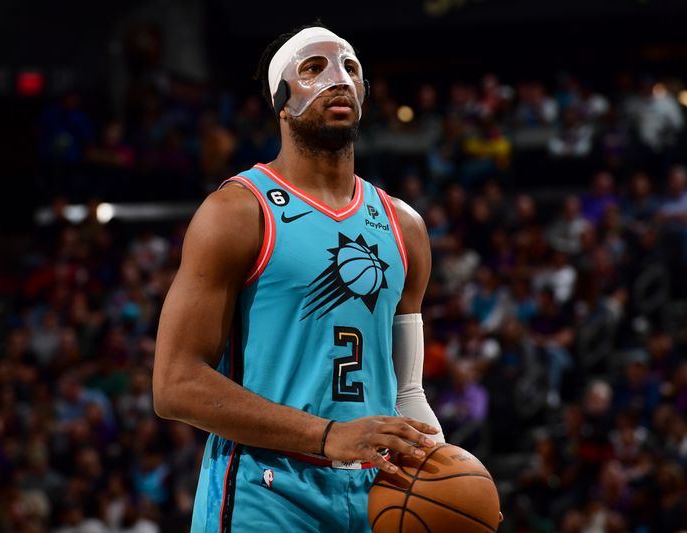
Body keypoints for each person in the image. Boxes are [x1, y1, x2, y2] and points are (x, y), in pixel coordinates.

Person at [153, 24, 484, 532]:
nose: (339, 79)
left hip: (371, 499)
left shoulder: (404, 226)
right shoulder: (238, 211)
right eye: (314, 68)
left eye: (351, 68)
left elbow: (408, 393)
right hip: (263, 496)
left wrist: (439, 470)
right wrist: (329, 434)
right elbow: (174, 385)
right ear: (280, 99)